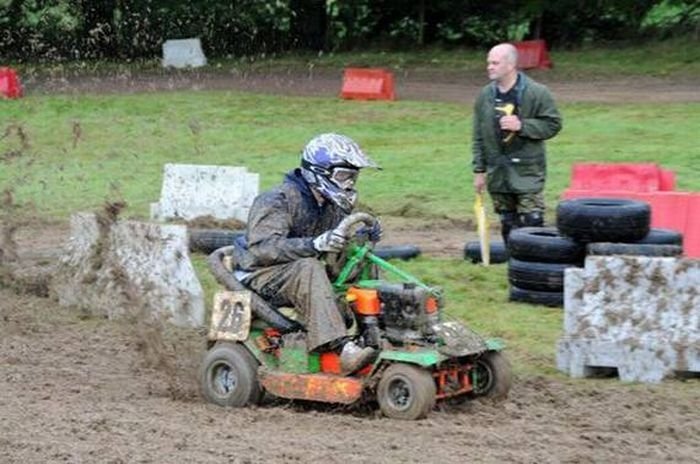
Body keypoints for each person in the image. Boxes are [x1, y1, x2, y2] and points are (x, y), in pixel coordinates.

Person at [234, 133, 381, 374]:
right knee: (309, 266)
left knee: (360, 259)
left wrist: (362, 240)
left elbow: (335, 256)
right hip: (259, 274)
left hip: (297, 271)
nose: (349, 184)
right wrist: (315, 245)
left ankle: (375, 334)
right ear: (318, 172)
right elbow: (263, 248)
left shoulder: (330, 206)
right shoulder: (277, 200)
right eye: (343, 176)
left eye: (353, 177)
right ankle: (341, 350)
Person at [472, 43, 562, 244]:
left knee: (532, 221)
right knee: (507, 222)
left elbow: (553, 124)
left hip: (527, 171)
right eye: (488, 62)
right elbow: (478, 136)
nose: (489, 67)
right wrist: (479, 171)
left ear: (510, 64)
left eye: (495, 63)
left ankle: (535, 267)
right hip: (498, 173)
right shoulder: (485, 96)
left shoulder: (537, 92)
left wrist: (522, 125)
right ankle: (514, 266)